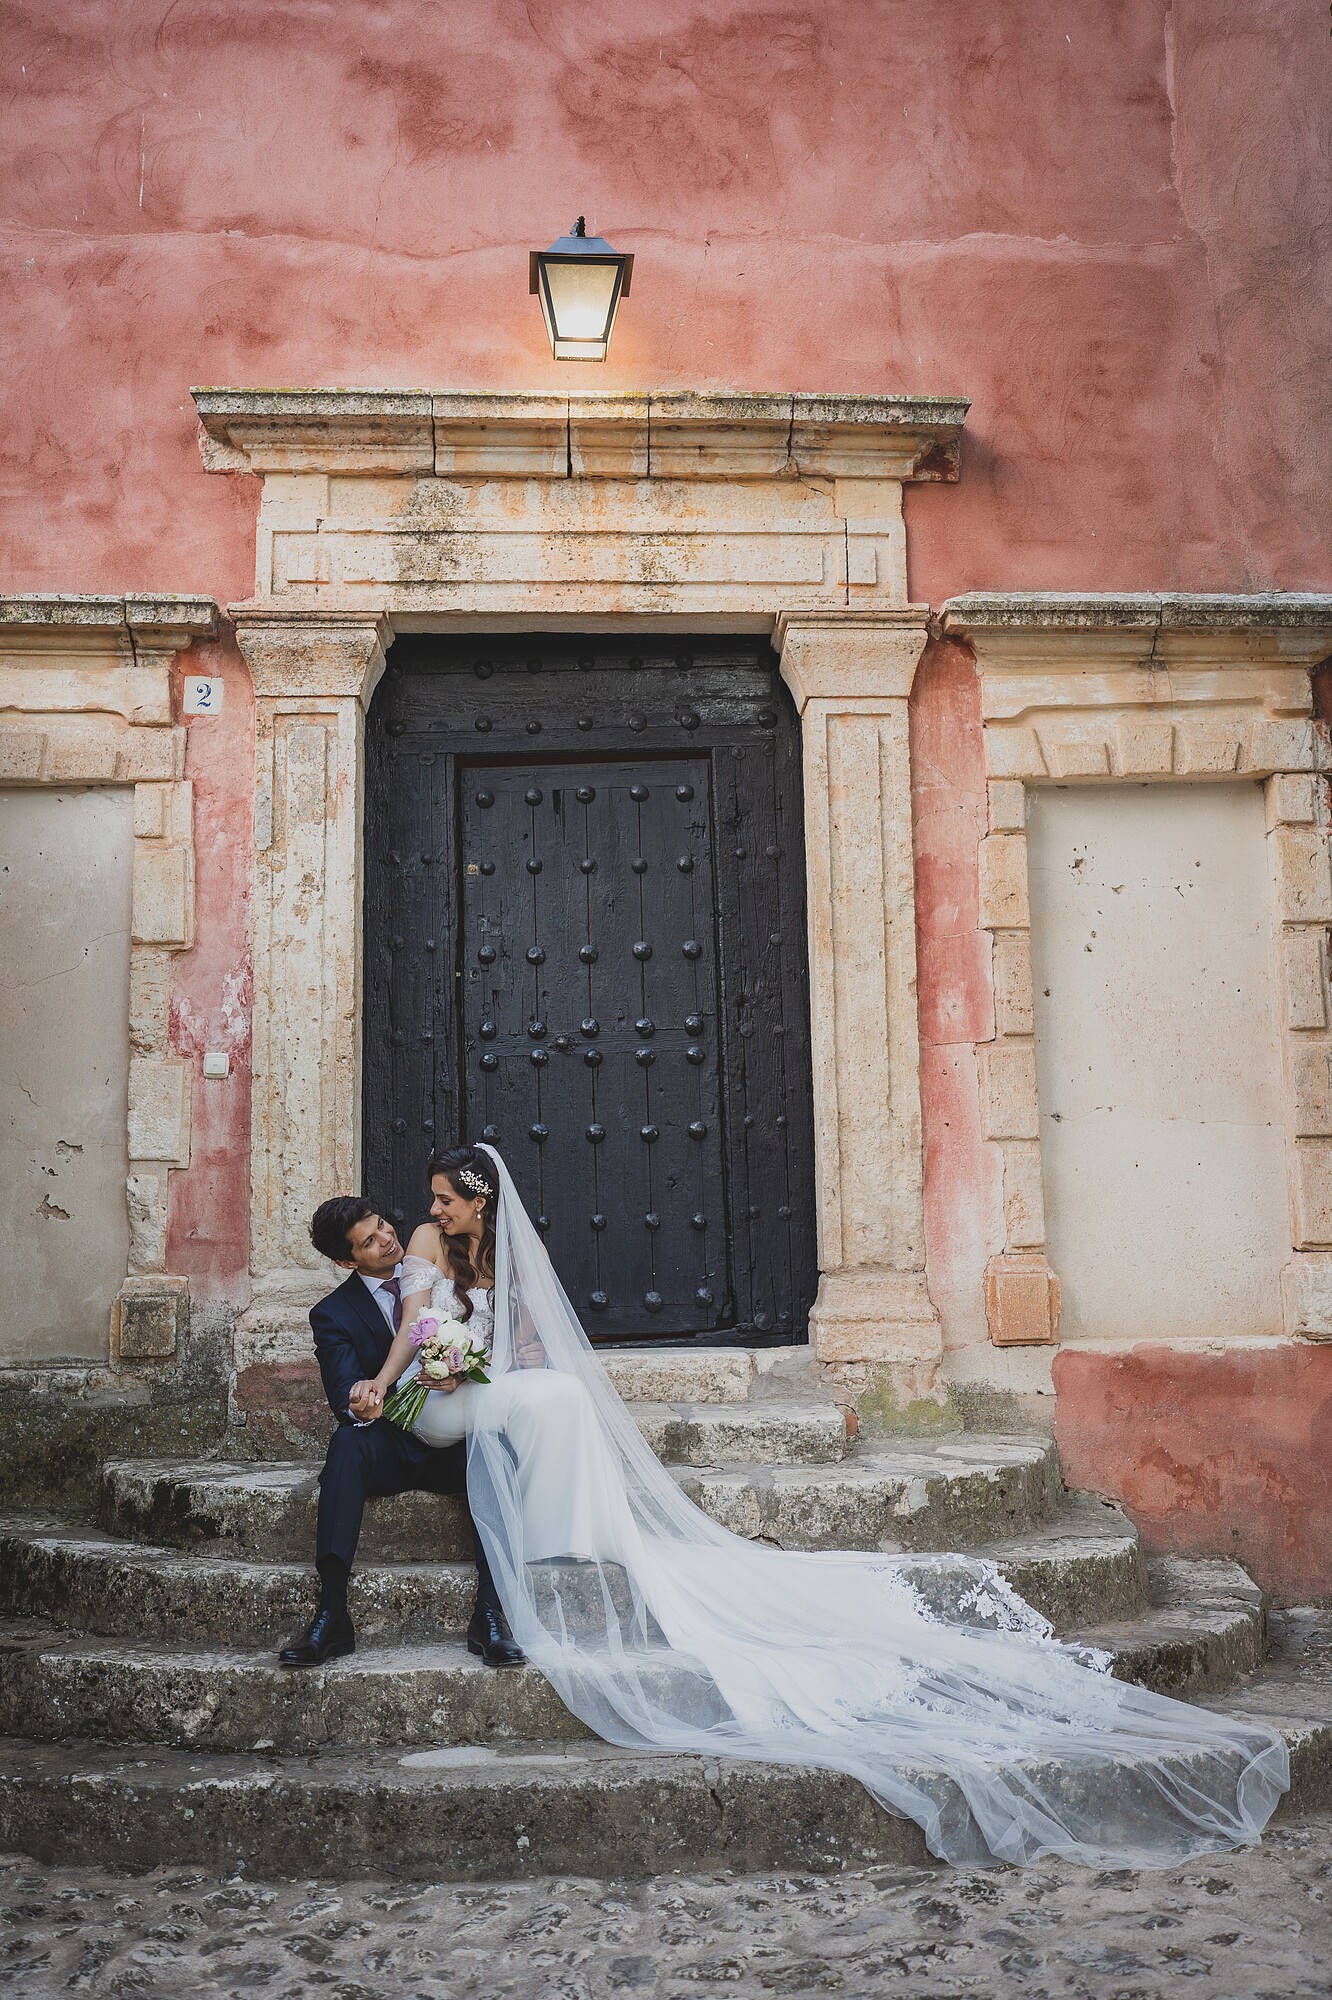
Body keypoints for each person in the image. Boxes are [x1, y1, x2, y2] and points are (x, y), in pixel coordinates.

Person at [364, 1140, 1290, 1873]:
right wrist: (389, 1379)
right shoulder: (423, 1247)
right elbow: (415, 1327)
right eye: (434, 1198)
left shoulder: (508, 1251)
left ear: (480, 1200)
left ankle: (569, 1535)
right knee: (540, 1400)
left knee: (556, 1393)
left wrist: (500, 1356)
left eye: (445, 1196)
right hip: (436, 1399)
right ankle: (552, 1531)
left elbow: (525, 1343)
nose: (433, 1207)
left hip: (487, 1381)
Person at [276, 1194, 523, 1669]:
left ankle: (491, 1615)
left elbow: (496, 1348)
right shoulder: (333, 1313)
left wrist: (462, 1373)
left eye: (384, 1225)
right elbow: (343, 1391)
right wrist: (360, 1403)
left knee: (497, 1444)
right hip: (392, 1440)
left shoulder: (447, 1265)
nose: (388, 1238)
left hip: (456, 1440)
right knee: (346, 1443)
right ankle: (331, 1614)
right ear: (346, 1260)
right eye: (370, 1241)